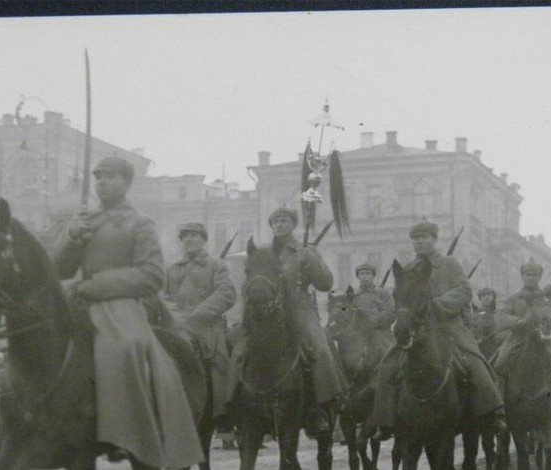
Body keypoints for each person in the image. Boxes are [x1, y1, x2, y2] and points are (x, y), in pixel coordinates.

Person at [55, 155, 203, 469]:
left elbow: (152, 275)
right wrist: (71, 236)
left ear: (126, 182)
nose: (102, 183)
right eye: (98, 177)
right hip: (79, 302)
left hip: (120, 305)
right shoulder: (85, 220)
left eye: (111, 177)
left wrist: (96, 285)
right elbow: (60, 268)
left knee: (123, 347)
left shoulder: (141, 223)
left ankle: (127, 433)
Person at [373, 221, 507, 440]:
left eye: (424, 237)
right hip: (417, 331)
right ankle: (385, 422)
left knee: (474, 361)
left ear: (434, 240)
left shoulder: (449, 264)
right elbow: (401, 299)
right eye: (416, 239)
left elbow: (464, 291)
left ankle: (493, 412)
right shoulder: (406, 269)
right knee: (387, 365)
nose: (420, 242)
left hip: (449, 327)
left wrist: (436, 304)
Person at [226, 207, 348, 434]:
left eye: (284, 221)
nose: (279, 225)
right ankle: (231, 404)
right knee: (238, 347)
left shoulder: (305, 252)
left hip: (299, 310)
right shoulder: (264, 252)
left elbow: (326, 284)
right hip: (266, 313)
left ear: (293, 225)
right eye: (275, 222)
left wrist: (313, 259)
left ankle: (322, 407)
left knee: (320, 350)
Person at [164, 222, 237, 427]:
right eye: (185, 236)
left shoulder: (217, 265)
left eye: (194, 235)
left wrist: (199, 313)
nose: (188, 239)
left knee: (221, 364)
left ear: (204, 239)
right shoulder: (170, 270)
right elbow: (160, 298)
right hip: (175, 326)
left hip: (206, 326)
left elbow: (227, 293)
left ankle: (223, 413)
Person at [493, 261, 551, 418]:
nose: (531, 278)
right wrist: (522, 322)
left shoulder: (548, 299)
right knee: (499, 362)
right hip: (518, 338)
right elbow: (501, 318)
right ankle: (498, 409)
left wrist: (549, 325)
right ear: (522, 276)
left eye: (534, 275)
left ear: (540, 277)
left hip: (543, 340)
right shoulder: (514, 298)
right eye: (527, 275)